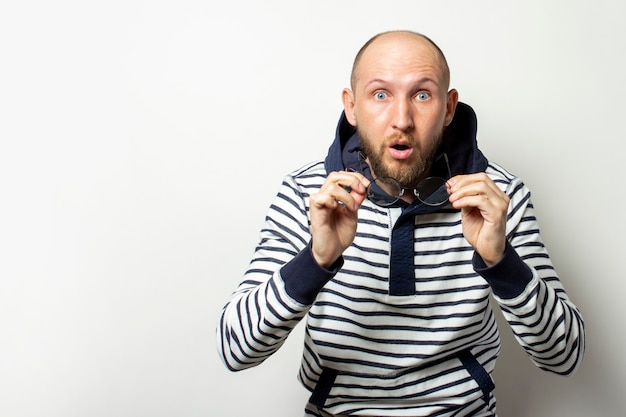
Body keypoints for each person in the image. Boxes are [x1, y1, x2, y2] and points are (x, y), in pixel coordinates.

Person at [217, 30, 585, 416]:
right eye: (380, 94)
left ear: (448, 108)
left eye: (422, 95)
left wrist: (500, 260)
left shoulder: (496, 198)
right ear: (352, 106)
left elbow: (565, 356)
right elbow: (236, 349)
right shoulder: (307, 195)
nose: (401, 119)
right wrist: (317, 259)